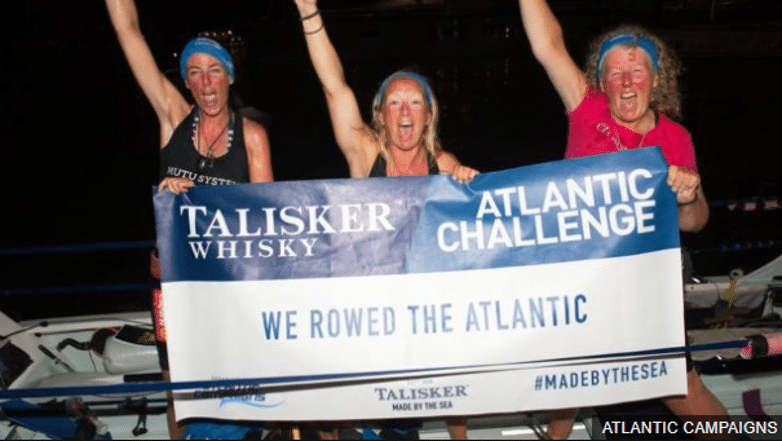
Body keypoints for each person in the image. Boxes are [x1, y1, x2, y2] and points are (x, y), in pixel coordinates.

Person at [515, 0, 727, 438]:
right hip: (582, 278)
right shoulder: (586, 110)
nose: (626, 82)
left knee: (681, 389)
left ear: (655, 79)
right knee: (569, 375)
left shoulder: (675, 137)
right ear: (602, 83)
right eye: (615, 73)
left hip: (647, 284)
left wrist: (688, 196)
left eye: (636, 71)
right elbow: (547, 45)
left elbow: (695, 222)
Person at [291, 0, 477, 438]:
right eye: (395, 103)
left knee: (426, 403)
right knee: (337, 405)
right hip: (365, 308)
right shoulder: (366, 153)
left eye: (415, 102)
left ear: (428, 115)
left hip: (421, 315)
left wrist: (469, 183)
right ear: (380, 115)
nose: (405, 111)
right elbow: (335, 87)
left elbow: (476, 225)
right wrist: (308, 12)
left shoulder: (443, 164)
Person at [104, 0, 273, 438]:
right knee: (175, 386)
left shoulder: (251, 137)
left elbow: (265, 220)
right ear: (186, 81)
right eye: (194, 72)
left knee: (230, 377)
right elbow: (129, 33)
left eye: (214, 70)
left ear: (230, 77)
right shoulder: (173, 118)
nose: (205, 81)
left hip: (223, 286)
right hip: (169, 283)